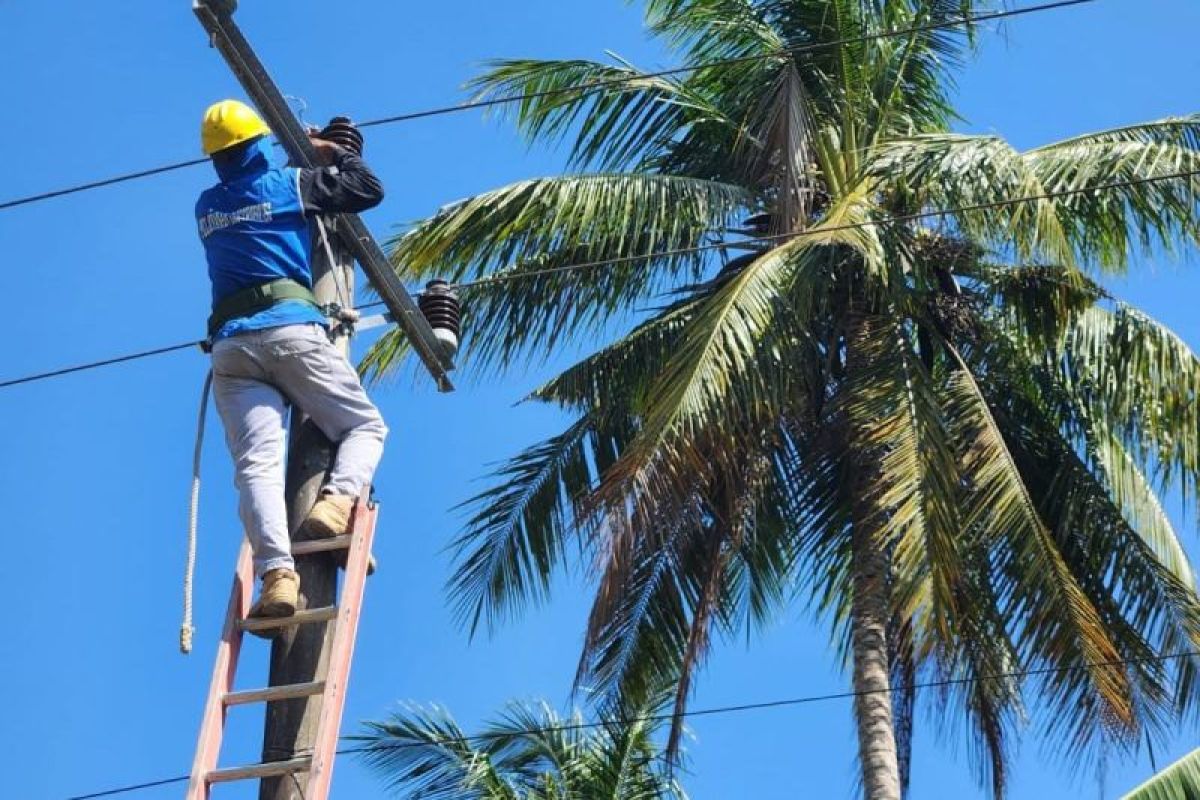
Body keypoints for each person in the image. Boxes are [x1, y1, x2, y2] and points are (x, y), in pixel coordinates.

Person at [195, 99, 388, 620]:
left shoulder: (206, 209)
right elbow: (367, 189)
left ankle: (277, 574)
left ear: (215, 158)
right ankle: (336, 502)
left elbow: (247, 186)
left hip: (232, 352)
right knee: (364, 426)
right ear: (261, 144)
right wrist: (328, 151)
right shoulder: (288, 186)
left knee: (256, 467)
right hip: (289, 332)